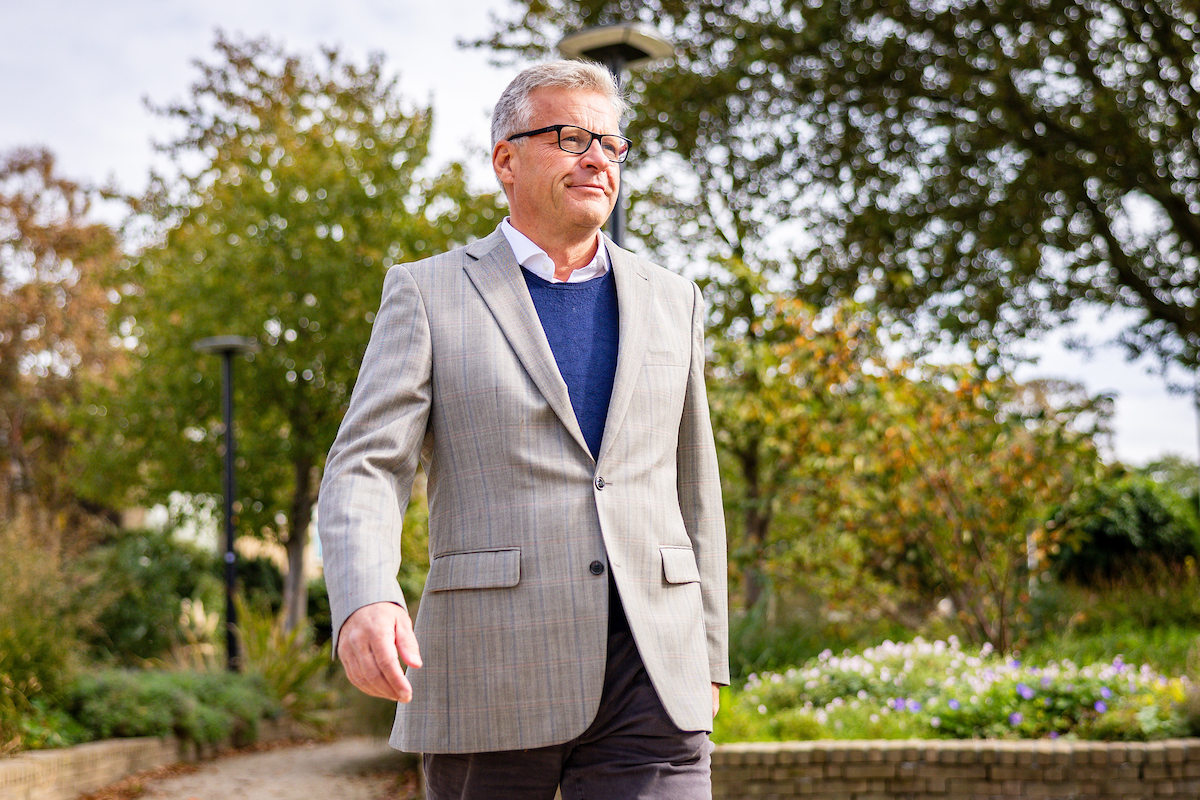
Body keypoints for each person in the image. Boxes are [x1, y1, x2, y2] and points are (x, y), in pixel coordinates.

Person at [317, 59, 728, 799]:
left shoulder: (676, 300)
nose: (598, 157)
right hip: (492, 672)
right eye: (572, 138)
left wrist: (709, 655)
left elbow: (696, 488)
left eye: (612, 143)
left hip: (654, 677)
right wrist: (365, 595)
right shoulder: (428, 292)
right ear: (506, 159)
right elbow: (368, 465)